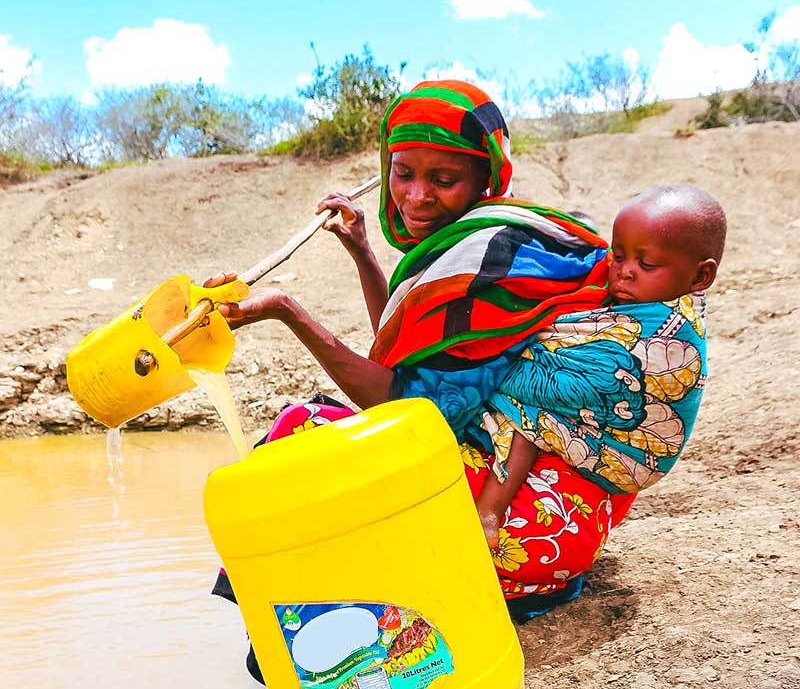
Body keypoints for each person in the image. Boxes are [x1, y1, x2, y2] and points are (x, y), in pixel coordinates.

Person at [205, 82, 715, 620]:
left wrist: (288, 311)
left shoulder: (507, 266)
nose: (417, 196)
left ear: (485, 179)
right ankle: (295, 614)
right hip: (532, 503)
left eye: (443, 180)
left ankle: (311, 616)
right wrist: (362, 252)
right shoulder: (487, 249)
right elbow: (417, 354)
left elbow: (406, 400)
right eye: (403, 173)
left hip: (537, 524)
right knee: (319, 448)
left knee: (303, 434)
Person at [472, 184, 726, 551]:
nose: (624, 272)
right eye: (618, 256)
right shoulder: (636, 297)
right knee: (530, 413)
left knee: (525, 414)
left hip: (619, 448)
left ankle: (489, 510)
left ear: (700, 277)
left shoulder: (669, 332)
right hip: (579, 448)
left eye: (646, 264)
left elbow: (556, 368)